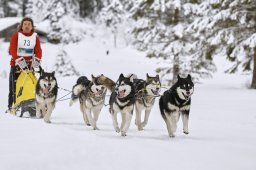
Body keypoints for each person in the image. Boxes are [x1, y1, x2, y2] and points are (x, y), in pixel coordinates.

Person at [8, 17, 42, 112]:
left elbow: (38, 51)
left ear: (32, 27)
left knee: (32, 86)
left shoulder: (35, 37)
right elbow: (13, 49)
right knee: (13, 89)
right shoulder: (16, 35)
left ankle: (32, 105)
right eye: (25, 24)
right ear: (21, 26)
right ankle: (11, 107)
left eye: (29, 24)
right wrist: (19, 61)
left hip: (29, 67)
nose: (27, 26)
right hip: (16, 65)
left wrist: (37, 61)